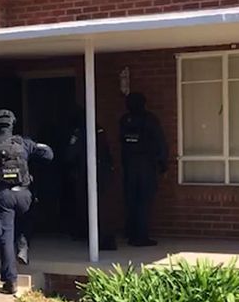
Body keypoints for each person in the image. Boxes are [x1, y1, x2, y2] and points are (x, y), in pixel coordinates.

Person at [0, 109, 53, 295]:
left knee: (5, 238)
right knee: (26, 221)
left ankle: (10, 281)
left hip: (2, 195)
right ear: (12, 123)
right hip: (24, 194)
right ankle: (23, 244)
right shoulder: (24, 143)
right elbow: (48, 155)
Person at [119, 93, 168, 247]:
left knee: (131, 200)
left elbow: (121, 143)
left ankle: (131, 234)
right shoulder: (149, 120)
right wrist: (163, 164)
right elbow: (160, 141)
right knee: (144, 201)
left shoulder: (124, 120)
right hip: (145, 165)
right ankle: (141, 237)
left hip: (129, 165)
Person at [64, 112, 117, 250]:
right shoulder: (99, 129)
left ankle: (96, 238)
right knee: (102, 206)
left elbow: (70, 154)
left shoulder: (80, 131)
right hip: (103, 173)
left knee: (87, 205)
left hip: (86, 173)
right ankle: (104, 238)